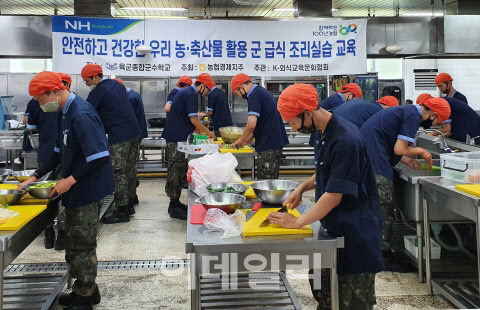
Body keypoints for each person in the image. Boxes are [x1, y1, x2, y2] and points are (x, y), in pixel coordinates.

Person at [268, 84, 383, 309]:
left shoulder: (345, 139)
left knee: (351, 301)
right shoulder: (324, 132)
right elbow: (325, 171)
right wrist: (302, 188)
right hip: (333, 226)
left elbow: (334, 195)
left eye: (293, 122)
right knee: (325, 293)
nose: (292, 129)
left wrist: (298, 222)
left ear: (307, 113)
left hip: (354, 232)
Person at [19, 71, 115, 310]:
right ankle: (86, 289)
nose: (41, 107)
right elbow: (57, 153)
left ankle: (84, 297)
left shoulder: (81, 114)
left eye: (41, 101)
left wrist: (69, 180)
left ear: (53, 92)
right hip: (76, 186)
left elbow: (99, 156)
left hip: (88, 187)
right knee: (73, 241)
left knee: (82, 242)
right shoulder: (64, 112)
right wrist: (35, 176)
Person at [360, 98, 451, 269]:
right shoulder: (413, 116)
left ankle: (378, 252)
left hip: (371, 157)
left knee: (378, 206)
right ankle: (383, 257)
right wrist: (421, 151)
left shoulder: (407, 111)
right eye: (438, 121)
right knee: (383, 203)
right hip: (374, 160)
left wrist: (408, 161)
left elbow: (391, 141)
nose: (435, 125)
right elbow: (399, 148)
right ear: (432, 113)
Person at [81, 64, 140, 224]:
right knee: (129, 169)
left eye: (87, 80)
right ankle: (130, 203)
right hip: (134, 132)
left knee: (117, 172)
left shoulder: (98, 91)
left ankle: (122, 211)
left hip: (119, 135)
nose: (86, 84)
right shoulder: (115, 84)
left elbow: (85, 112)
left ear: (95, 77)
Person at [161, 73, 216, 220]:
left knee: (178, 168)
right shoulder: (191, 94)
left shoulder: (186, 92)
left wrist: (199, 131)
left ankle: (176, 203)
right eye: (207, 90)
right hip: (175, 138)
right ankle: (173, 206)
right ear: (202, 86)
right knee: (175, 169)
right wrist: (209, 133)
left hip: (177, 136)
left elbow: (190, 119)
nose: (207, 93)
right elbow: (194, 120)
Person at [28, 72, 71, 250]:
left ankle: (48, 234)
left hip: (46, 153)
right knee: (63, 198)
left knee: (44, 196)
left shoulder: (34, 102)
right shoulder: (65, 106)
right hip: (60, 155)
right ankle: (62, 234)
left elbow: (30, 127)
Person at [230, 73, 289, 179]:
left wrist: (242, 139)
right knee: (269, 181)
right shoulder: (260, 92)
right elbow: (263, 120)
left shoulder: (254, 95)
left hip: (269, 144)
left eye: (236, 93)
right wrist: (251, 136)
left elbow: (251, 124)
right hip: (272, 142)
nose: (238, 96)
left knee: (265, 183)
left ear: (241, 87)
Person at [115, 79, 148, 206]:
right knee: (131, 166)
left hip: (130, 136)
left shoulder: (128, 98)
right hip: (137, 134)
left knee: (125, 169)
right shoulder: (134, 94)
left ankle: (128, 199)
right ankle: (132, 196)